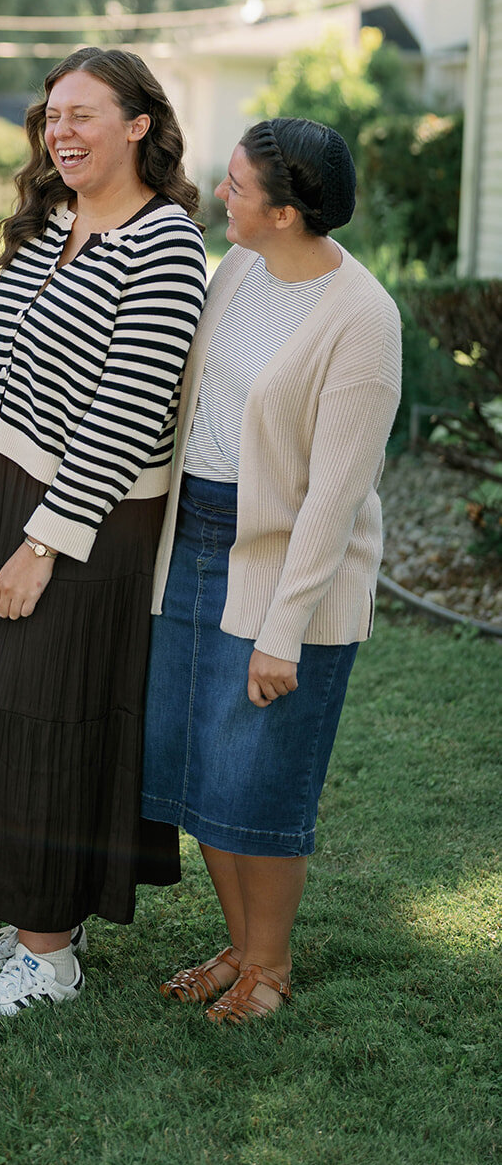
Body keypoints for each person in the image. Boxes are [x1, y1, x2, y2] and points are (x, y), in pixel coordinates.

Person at [0, 46, 208, 1019]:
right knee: (0, 707)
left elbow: (129, 410)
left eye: (82, 113)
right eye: (50, 114)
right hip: (0, 489)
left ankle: (48, 957)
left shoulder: (164, 244)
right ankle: (34, 917)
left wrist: (45, 540)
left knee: (47, 711)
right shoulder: (48, 221)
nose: (59, 130)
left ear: (138, 124)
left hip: (84, 516)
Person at [141, 116, 401, 1023]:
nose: (221, 195)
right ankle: (239, 948)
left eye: (238, 187)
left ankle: (272, 968)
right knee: (200, 770)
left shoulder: (361, 319)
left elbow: (334, 498)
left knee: (262, 774)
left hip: (291, 565)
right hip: (194, 543)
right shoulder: (239, 270)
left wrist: (280, 631)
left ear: (286, 212)